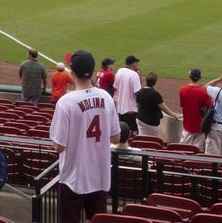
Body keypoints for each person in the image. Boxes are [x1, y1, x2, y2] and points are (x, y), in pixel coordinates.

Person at [49, 51, 120, 223]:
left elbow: (59, 146)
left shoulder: (66, 102)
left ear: (72, 73)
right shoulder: (106, 97)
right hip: (100, 177)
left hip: (73, 179)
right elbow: (116, 138)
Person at [135, 73, 181, 140]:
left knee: (142, 138)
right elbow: (163, 108)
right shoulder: (155, 94)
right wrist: (173, 115)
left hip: (140, 119)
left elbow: (138, 105)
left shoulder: (140, 92)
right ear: (155, 82)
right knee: (154, 140)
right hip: (152, 122)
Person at [178, 68, 214, 149]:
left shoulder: (183, 90)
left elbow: (183, 105)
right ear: (200, 78)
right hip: (200, 126)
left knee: (182, 150)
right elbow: (210, 107)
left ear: (189, 77)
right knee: (197, 152)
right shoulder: (203, 91)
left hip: (187, 124)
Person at [112, 55, 142, 133]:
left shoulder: (119, 71)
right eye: (136, 62)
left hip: (121, 109)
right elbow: (137, 93)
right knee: (133, 133)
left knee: (123, 133)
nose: (137, 64)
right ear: (133, 64)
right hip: (131, 110)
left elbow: (115, 87)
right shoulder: (134, 74)